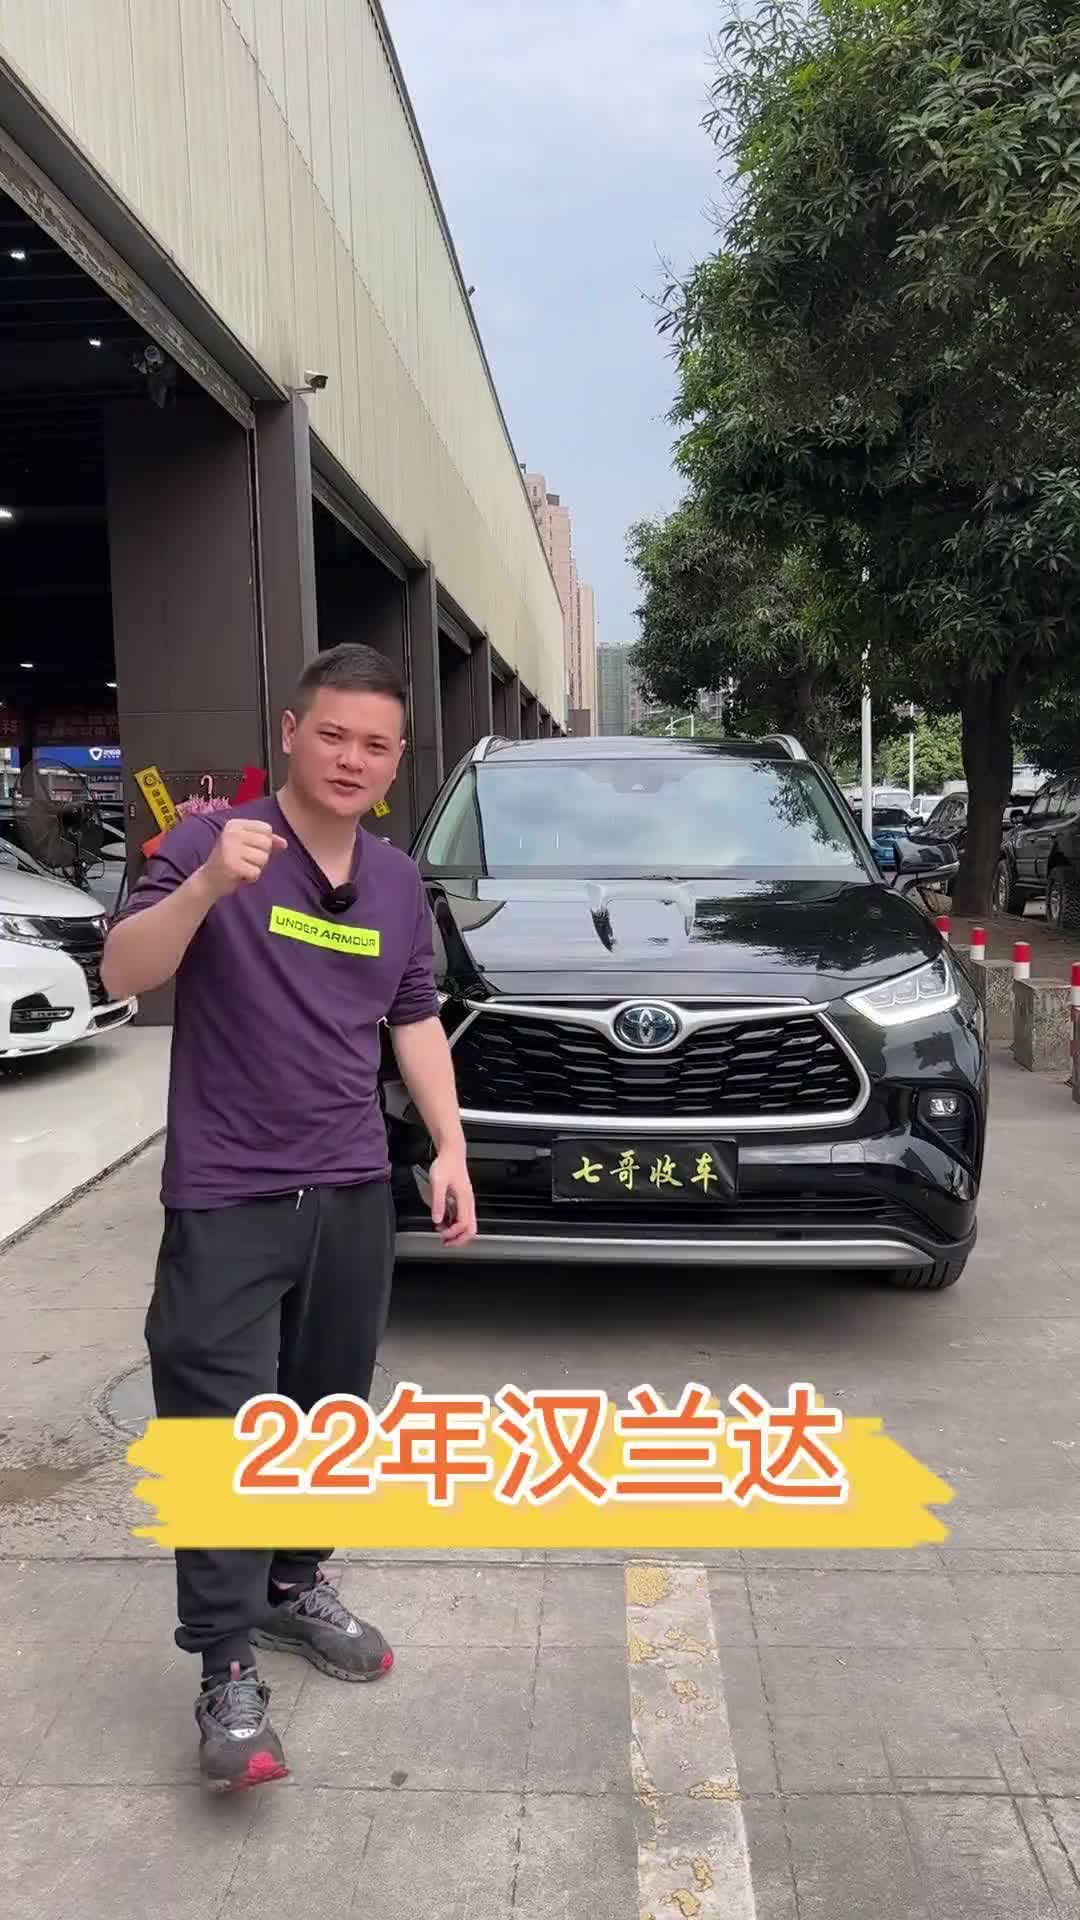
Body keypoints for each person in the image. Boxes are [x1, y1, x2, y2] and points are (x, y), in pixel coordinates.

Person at [102, 642, 477, 1793]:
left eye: (376, 745)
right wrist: (208, 887)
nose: (352, 758)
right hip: (227, 1193)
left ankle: (288, 1583)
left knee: (326, 1415)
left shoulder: (398, 883)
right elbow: (123, 971)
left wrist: (450, 1144)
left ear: (397, 762)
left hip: (352, 1189)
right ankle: (224, 1667)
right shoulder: (209, 843)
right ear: (289, 733)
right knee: (217, 1433)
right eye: (333, 735)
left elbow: (412, 1016)